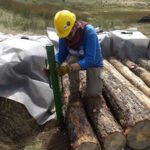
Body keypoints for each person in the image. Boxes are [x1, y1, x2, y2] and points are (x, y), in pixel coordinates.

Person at [54, 10, 103, 100]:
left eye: (68, 34)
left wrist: (69, 68)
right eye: (64, 36)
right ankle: (74, 90)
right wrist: (54, 62)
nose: (66, 38)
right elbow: (62, 53)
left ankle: (92, 84)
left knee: (93, 93)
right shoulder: (64, 34)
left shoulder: (89, 32)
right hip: (76, 59)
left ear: (74, 26)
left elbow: (90, 59)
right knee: (71, 60)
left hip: (93, 61)